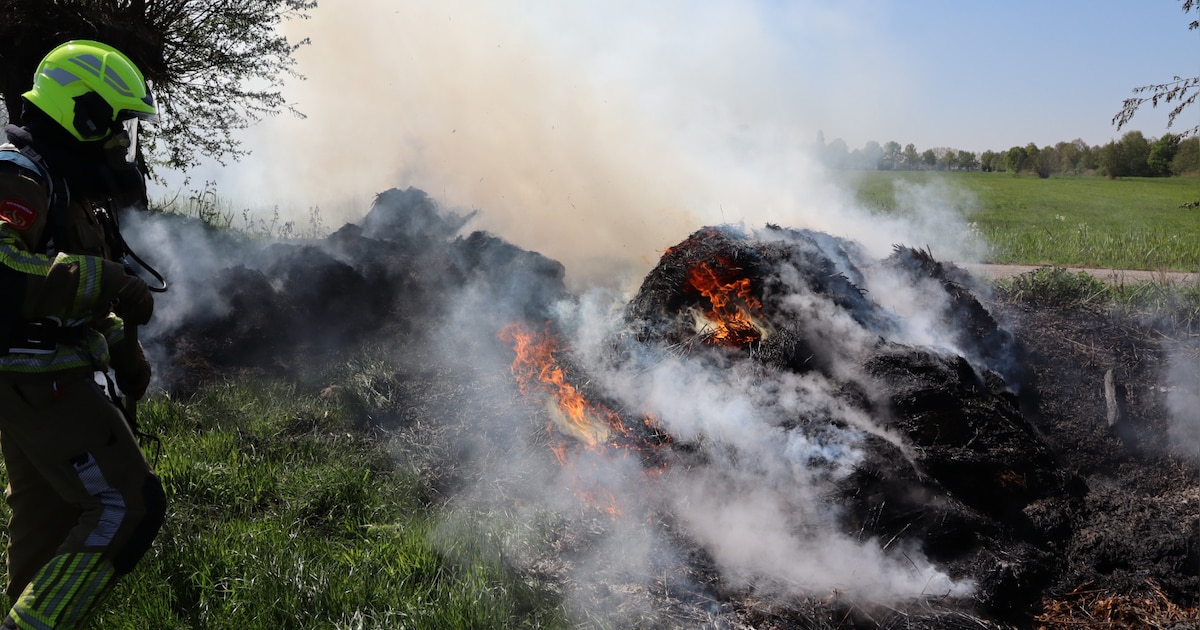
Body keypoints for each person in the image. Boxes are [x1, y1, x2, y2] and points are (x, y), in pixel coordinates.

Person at [0, 40, 165, 628]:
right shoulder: (18, 177)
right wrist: (111, 281)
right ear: (82, 114)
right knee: (127, 505)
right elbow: (5, 273)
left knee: (50, 526)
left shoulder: (66, 182)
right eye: (116, 126)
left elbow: (65, 294)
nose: (122, 142)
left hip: (40, 379)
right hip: (37, 382)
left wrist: (122, 345)